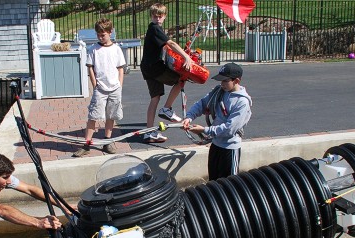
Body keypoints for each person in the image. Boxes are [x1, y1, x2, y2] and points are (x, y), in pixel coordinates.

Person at [182, 62, 252, 180]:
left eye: (225, 81)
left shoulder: (242, 102)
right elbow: (202, 104)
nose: (222, 84)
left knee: (229, 185)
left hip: (230, 148)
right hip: (216, 145)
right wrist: (189, 117)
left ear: (236, 81)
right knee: (213, 181)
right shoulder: (219, 91)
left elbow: (229, 129)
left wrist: (204, 130)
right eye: (221, 80)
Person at [73, 18, 127, 158]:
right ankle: (87, 144)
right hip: (100, 88)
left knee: (111, 115)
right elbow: (90, 68)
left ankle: (107, 141)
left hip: (114, 88)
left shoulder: (116, 49)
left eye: (103, 34)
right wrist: (94, 84)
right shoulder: (93, 50)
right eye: (98, 34)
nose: (100, 37)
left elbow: (120, 68)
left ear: (110, 32)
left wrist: (120, 85)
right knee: (93, 115)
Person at [140, 2, 193, 143]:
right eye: (155, 16)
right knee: (181, 80)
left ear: (164, 16)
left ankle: (149, 132)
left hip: (148, 67)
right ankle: (167, 109)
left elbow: (165, 48)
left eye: (160, 16)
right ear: (151, 16)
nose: (158, 18)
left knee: (155, 98)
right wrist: (186, 57)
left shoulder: (153, 29)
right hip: (154, 68)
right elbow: (171, 44)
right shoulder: (155, 28)